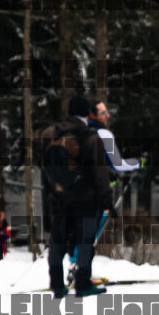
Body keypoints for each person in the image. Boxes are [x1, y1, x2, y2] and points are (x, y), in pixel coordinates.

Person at [33, 95, 108, 296]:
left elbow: (40, 160)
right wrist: (105, 198)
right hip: (85, 197)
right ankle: (83, 284)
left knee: (57, 240)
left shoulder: (49, 132)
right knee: (85, 241)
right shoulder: (90, 136)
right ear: (87, 113)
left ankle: (57, 284)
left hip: (57, 195)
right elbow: (100, 171)